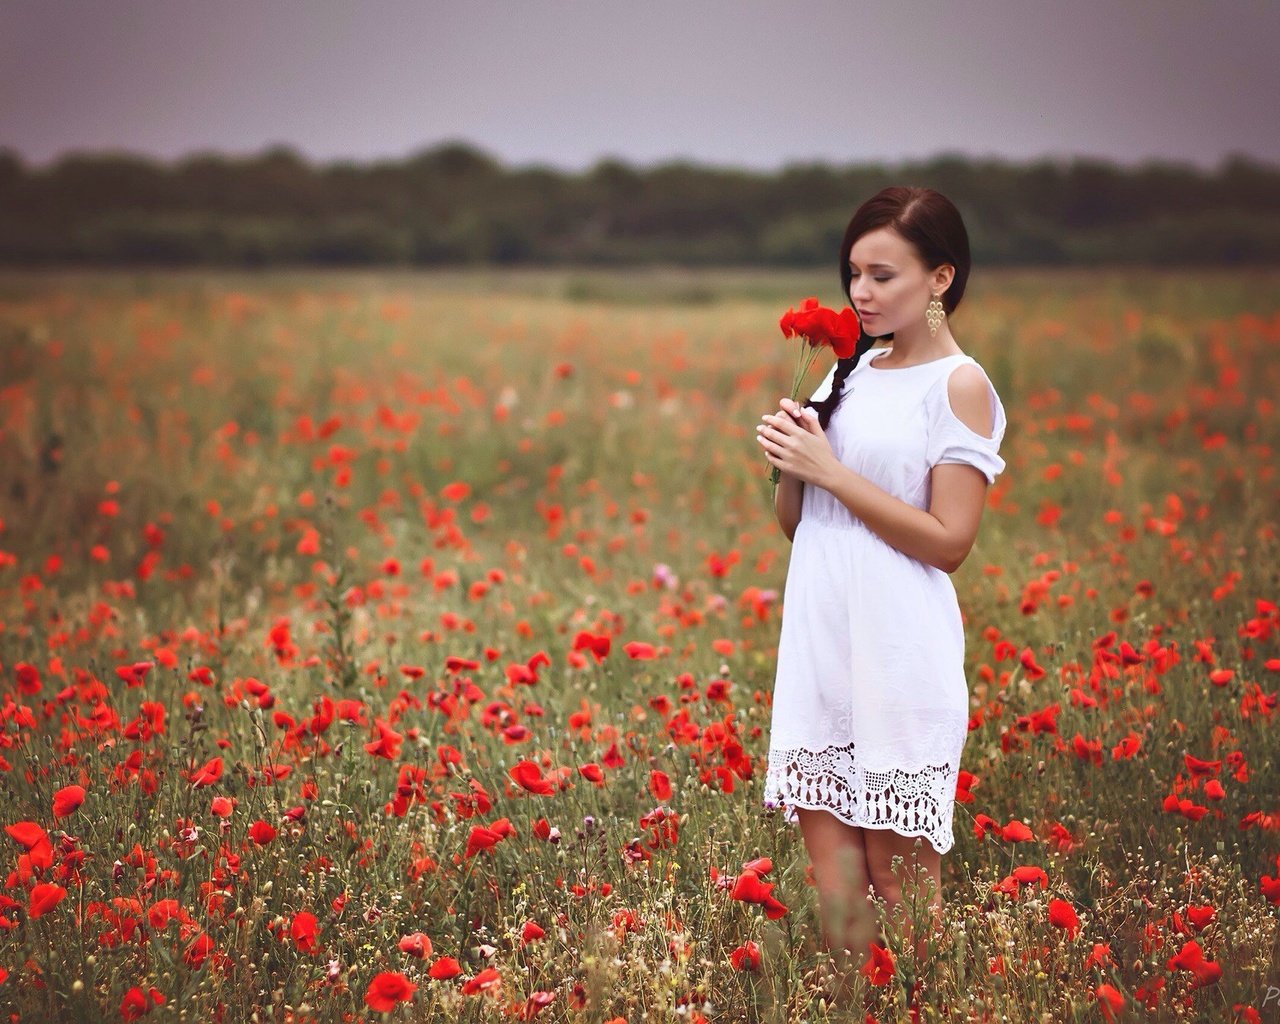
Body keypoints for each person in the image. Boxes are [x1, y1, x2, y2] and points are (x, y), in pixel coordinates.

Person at [755, 186, 1009, 998]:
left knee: (899, 883)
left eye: (883, 275)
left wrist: (831, 470)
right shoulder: (851, 373)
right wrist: (793, 462)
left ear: (940, 277)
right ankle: (850, 1008)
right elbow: (805, 525)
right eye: (853, 274)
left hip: (899, 646)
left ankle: (926, 1006)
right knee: (836, 890)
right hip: (822, 637)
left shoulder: (960, 386)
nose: (861, 293)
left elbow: (951, 541)